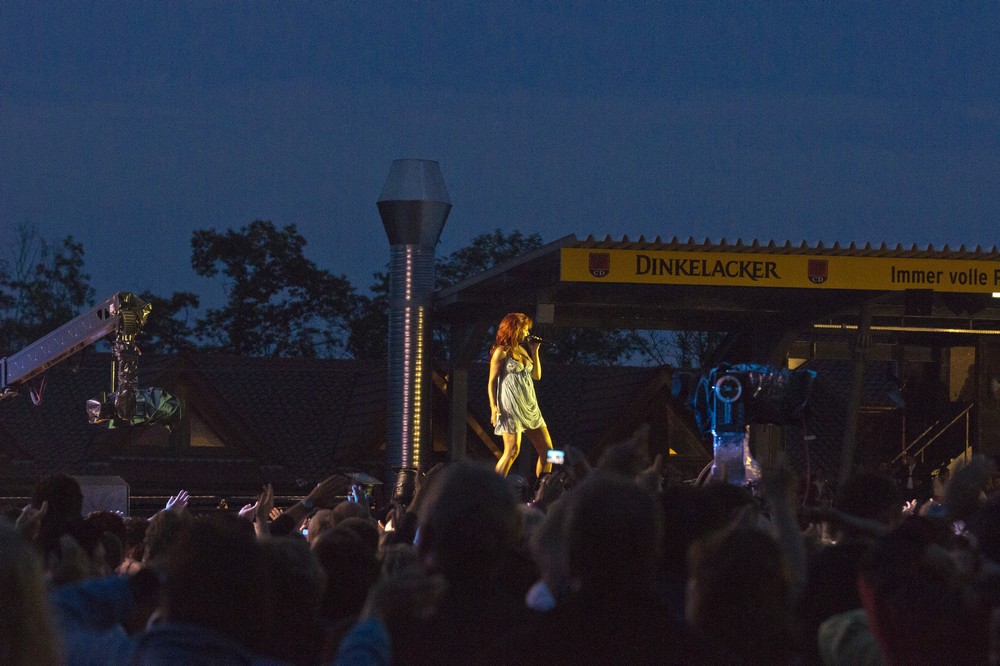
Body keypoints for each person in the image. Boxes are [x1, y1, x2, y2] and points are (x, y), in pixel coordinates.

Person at [488, 312, 554, 477]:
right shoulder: (502, 351)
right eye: (524, 329)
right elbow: (491, 382)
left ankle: (541, 488)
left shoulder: (523, 350)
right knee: (512, 451)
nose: (527, 333)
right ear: (514, 329)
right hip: (510, 405)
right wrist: (493, 407)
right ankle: (493, 488)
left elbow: (537, 375)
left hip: (530, 405)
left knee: (549, 452)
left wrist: (534, 351)